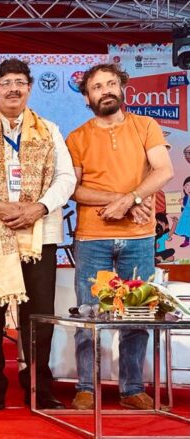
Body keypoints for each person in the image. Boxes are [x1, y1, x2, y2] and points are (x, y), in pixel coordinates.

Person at [0, 58, 76, 410]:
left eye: (19, 82)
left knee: (38, 316)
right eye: (5, 83)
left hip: (39, 233)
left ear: (29, 88)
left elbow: (66, 178)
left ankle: (39, 386)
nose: (13, 89)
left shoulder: (49, 130)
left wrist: (40, 207)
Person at [66, 63, 173, 411]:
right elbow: (74, 189)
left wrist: (132, 200)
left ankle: (132, 388)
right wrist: (123, 201)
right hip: (92, 237)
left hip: (140, 236)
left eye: (111, 83)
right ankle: (86, 387)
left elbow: (164, 170)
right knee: (89, 313)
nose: (106, 91)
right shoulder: (77, 137)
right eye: (97, 87)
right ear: (87, 97)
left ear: (122, 88)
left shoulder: (146, 126)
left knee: (137, 314)